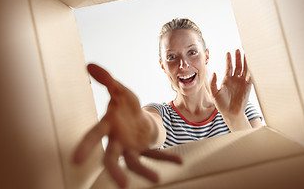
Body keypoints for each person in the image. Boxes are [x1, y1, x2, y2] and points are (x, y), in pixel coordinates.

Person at [73, 18, 263, 188]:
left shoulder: (241, 108)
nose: (183, 64)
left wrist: (235, 118)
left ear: (206, 55)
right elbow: (151, 126)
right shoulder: (160, 113)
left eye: (192, 52)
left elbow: (266, 165)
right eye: (172, 57)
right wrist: (137, 124)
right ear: (163, 65)